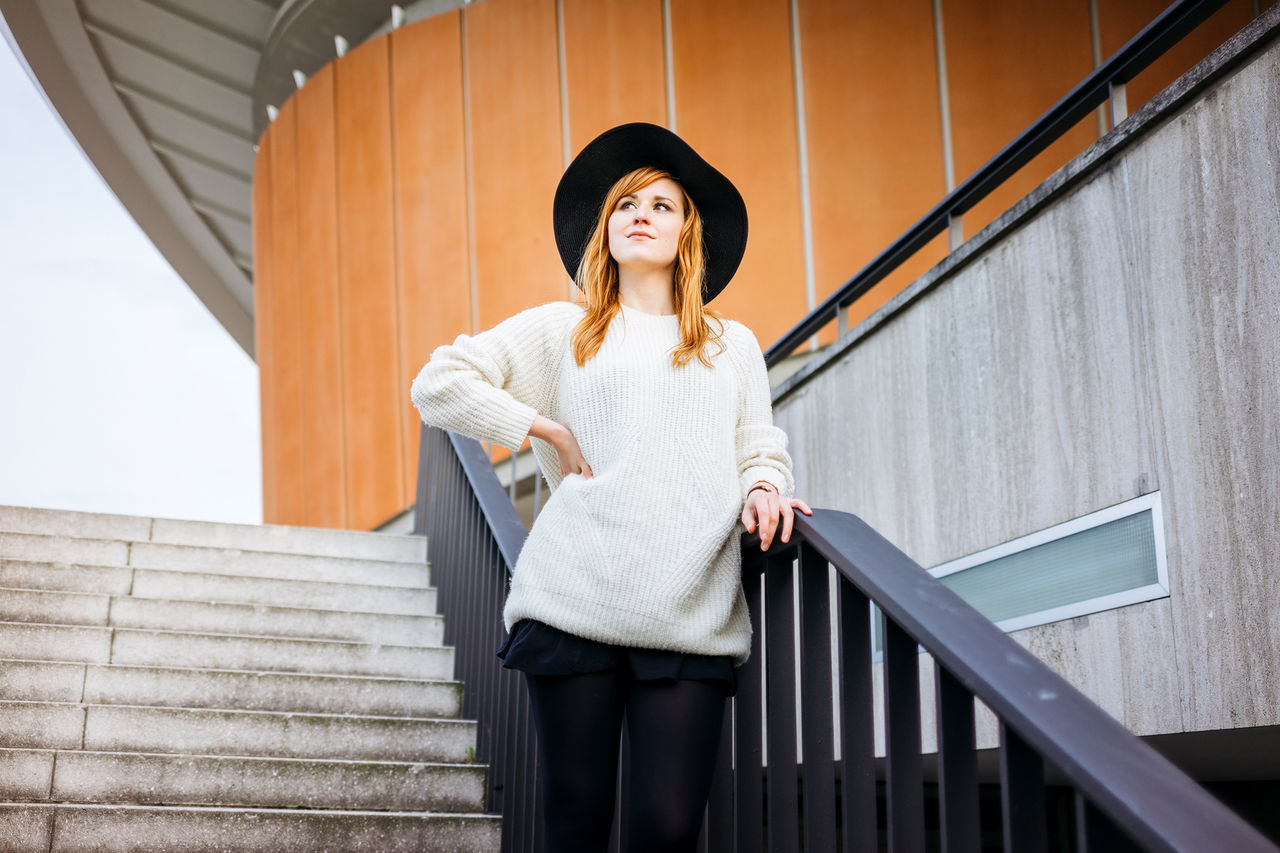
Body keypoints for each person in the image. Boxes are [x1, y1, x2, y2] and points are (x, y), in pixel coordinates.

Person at [410, 122, 811, 852]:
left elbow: (759, 444)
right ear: (607, 228)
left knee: (666, 828)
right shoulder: (566, 331)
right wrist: (544, 428)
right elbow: (437, 384)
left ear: (688, 231)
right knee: (575, 822)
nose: (641, 215)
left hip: (691, 611)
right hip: (574, 603)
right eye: (627, 204)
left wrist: (762, 485)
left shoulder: (733, 344)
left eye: (662, 205)